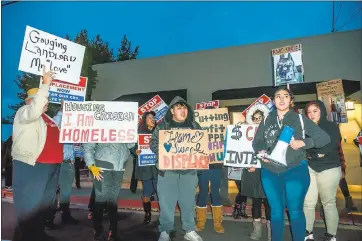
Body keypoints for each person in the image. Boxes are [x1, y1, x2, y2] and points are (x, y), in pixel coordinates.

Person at [252, 86, 330, 241]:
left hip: (294, 170)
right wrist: (261, 152)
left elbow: (324, 138)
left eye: (285, 96)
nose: (281, 99)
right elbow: (258, 141)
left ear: (291, 100)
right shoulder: (267, 119)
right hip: (270, 171)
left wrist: (304, 142)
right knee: (275, 211)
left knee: (295, 211)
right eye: (278, 96)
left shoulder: (300, 119)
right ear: (273, 100)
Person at [11, 69, 62, 241]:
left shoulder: (48, 118)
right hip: (34, 165)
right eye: (43, 99)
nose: (46, 102)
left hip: (52, 165)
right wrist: (46, 83)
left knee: (44, 204)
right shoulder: (25, 112)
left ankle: (37, 233)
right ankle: (26, 236)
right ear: (32, 101)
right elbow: (35, 109)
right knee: (30, 204)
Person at [150, 96, 203, 241]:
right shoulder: (163, 126)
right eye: (179, 108)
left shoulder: (195, 126)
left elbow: (202, 146)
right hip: (167, 172)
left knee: (188, 203)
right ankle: (165, 231)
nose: (182, 110)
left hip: (189, 173)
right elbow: (153, 144)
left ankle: (189, 230)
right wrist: (166, 152)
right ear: (172, 110)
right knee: (166, 203)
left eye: (184, 108)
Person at [303, 100, 343, 241]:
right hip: (310, 167)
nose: (312, 114)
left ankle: (331, 235)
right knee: (308, 202)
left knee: (328, 202)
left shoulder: (331, 126)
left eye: (315, 111)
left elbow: (327, 147)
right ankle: (308, 233)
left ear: (322, 111)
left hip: (329, 168)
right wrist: (314, 151)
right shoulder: (306, 128)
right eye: (309, 112)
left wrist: (312, 150)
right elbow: (303, 147)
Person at [83, 140, 135, 241]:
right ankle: (98, 231)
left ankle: (113, 232)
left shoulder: (124, 123)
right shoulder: (100, 124)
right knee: (100, 198)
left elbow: (130, 144)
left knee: (113, 200)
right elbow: (88, 145)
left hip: (119, 166)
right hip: (102, 165)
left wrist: (134, 134)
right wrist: (91, 165)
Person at [241, 104, 271, 241]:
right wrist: (248, 164)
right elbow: (242, 152)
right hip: (252, 172)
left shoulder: (271, 131)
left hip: (268, 171)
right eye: (255, 118)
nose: (258, 120)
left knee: (269, 201)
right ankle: (257, 230)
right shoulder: (246, 132)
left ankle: (272, 230)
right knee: (256, 201)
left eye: (260, 118)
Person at [196, 106, 225, 234]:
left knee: (215, 192)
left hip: (217, 165)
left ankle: (217, 223)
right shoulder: (198, 129)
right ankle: (200, 222)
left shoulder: (221, 130)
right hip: (203, 165)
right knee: (203, 191)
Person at [132, 111, 158, 225]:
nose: (152, 119)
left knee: (161, 192)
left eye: (153, 117)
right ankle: (148, 214)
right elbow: (131, 146)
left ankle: (165, 216)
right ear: (144, 120)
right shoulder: (138, 133)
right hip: (145, 167)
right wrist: (135, 151)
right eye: (149, 117)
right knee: (147, 192)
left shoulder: (159, 132)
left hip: (158, 168)